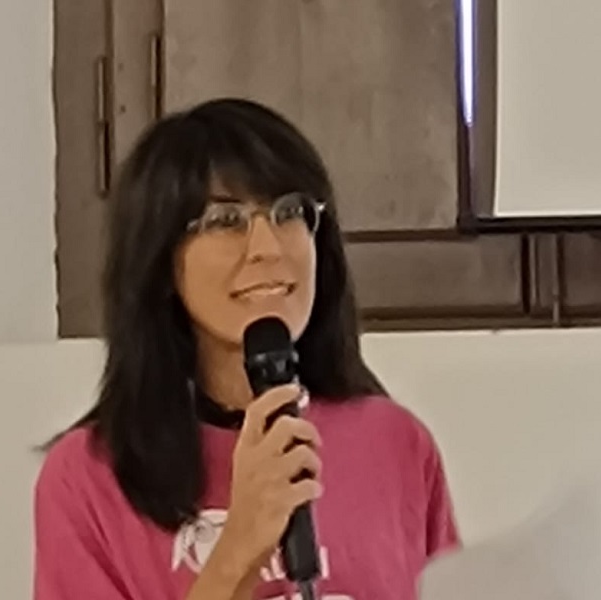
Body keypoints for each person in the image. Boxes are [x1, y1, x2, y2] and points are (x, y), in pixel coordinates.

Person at [33, 98, 459, 600]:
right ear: (161, 261)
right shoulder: (88, 479)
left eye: (290, 212)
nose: (268, 248)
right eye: (225, 220)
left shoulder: (395, 443)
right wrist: (242, 543)